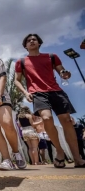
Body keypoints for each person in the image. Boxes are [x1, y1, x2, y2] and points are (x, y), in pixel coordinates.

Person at [14, 33, 85, 168]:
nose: (32, 41)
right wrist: (25, 92)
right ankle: (59, 151)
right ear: (25, 46)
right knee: (46, 118)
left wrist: (65, 74)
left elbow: (62, 71)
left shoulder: (51, 56)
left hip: (56, 91)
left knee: (66, 120)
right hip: (37, 93)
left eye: (35, 39)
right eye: (29, 40)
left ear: (39, 43)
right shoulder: (21, 62)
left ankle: (77, 158)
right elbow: (16, 81)